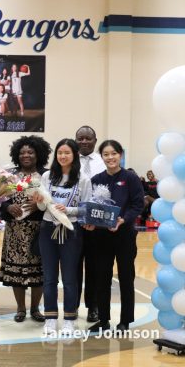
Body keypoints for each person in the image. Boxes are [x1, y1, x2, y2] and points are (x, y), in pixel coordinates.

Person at [32, 139, 92, 336]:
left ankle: (69, 319)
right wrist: (39, 201)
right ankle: (50, 318)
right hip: (48, 229)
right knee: (49, 278)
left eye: (67, 152)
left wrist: (69, 209)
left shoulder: (83, 179)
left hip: (71, 230)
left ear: (74, 154)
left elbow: (86, 208)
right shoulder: (48, 176)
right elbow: (42, 208)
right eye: (60, 153)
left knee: (69, 279)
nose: (63, 156)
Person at [85, 140, 144, 333]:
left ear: (120, 155)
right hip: (101, 237)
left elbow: (137, 205)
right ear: (101, 157)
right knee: (102, 278)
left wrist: (122, 220)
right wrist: (90, 221)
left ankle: (125, 320)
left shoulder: (131, 178)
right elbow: (91, 206)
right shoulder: (96, 179)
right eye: (106, 154)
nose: (110, 158)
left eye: (114, 154)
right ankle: (103, 320)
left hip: (124, 235)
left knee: (126, 277)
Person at [0, 135, 51, 324]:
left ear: (39, 154)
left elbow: (53, 200)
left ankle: (35, 308)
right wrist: (7, 208)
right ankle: (21, 308)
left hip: (40, 230)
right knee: (17, 273)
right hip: (15, 230)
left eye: (30, 152)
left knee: (38, 273)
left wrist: (41, 205)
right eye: (22, 152)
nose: (26, 155)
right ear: (16, 155)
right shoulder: (9, 175)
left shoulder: (46, 175)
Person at [75, 125, 106, 323]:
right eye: (81, 138)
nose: (84, 142)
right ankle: (73, 306)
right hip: (74, 222)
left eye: (88, 138)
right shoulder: (67, 160)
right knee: (73, 267)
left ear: (95, 140)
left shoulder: (103, 162)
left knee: (94, 267)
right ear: (75, 140)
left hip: (96, 225)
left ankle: (93, 307)